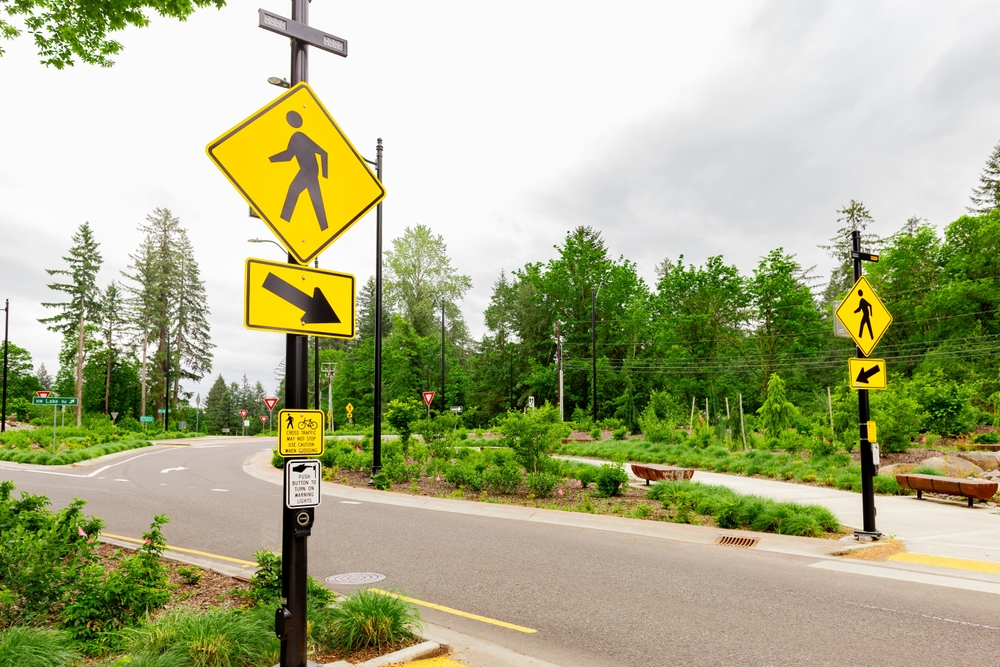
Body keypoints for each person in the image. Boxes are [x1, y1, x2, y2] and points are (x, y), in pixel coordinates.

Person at [269, 110, 329, 231]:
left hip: (309, 170)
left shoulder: (300, 136)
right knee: (316, 199)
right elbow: (288, 156)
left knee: (293, 191)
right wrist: (270, 159)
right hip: (309, 171)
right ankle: (324, 227)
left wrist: (325, 175)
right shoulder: (295, 137)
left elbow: (324, 153)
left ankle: (284, 223)